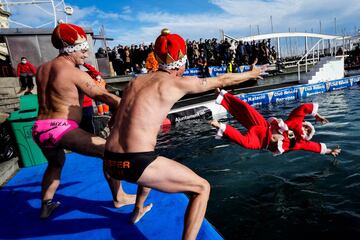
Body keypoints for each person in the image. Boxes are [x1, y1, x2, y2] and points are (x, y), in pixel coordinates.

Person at [103, 28, 266, 240]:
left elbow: (118, 118)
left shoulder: (135, 81)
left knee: (151, 160)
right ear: (182, 61)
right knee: (202, 188)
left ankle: (138, 209)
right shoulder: (176, 83)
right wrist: (252, 74)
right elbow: (223, 80)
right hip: (135, 163)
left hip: (109, 162)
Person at [32, 23, 135, 219]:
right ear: (72, 49)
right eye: (83, 50)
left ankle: (46, 206)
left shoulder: (43, 69)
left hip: (39, 129)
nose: (86, 54)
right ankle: (119, 197)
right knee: (110, 152)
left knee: (55, 164)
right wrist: (132, 106)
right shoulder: (73, 72)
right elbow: (103, 96)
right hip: (62, 127)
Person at [210, 90, 341, 156]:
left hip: (262, 142)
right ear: (304, 123)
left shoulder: (301, 142)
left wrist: (330, 151)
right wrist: (317, 115)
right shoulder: (295, 121)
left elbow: (315, 147)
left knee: (245, 142)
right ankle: (222, 96)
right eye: (307, 127)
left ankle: (220, 126)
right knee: (246, 110)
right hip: (264, 127)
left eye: (308, 132)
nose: (305, 130)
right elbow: (303, 108)